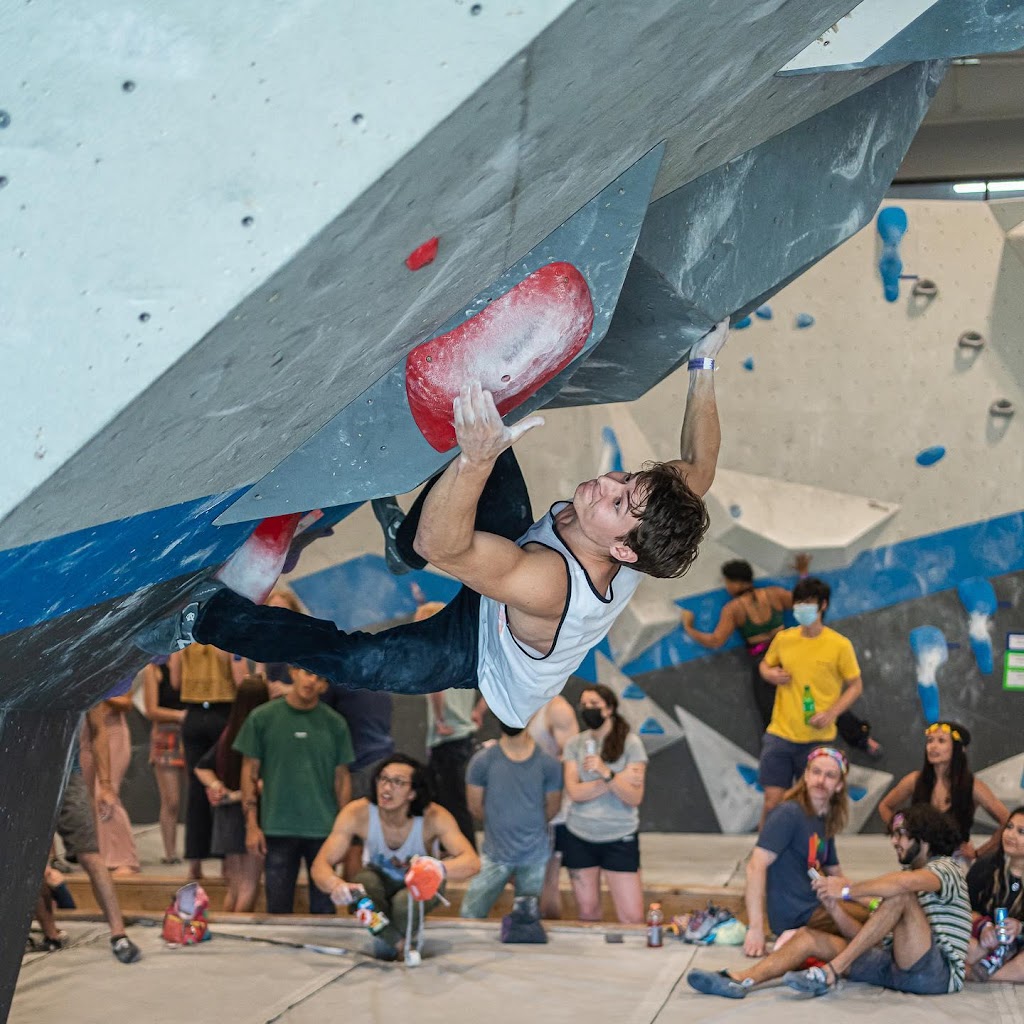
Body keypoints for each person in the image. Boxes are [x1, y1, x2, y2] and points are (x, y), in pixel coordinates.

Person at [137, 318, 731, 727]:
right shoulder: (648, 516)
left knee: (358, 662)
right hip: (507, 561)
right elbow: (700, 469)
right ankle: (404, 546)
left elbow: (444, 544)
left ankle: (204, 618)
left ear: (624, 553)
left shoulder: (550, 583)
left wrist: (477, 458)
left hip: (479, 652)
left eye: (619, 504)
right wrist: (702, 363)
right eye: (626, 480)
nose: (609, 485)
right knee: (484, 434)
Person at [688, 804, 971, 999]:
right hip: (897, 967)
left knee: (899, 893)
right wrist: (834, 906)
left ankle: (830, 972)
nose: (894, 842)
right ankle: (742, 979)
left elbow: (902, 885)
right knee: (810, 937)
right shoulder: (910, 879)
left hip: (935, 975)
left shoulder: (946, 868)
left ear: (923, 839)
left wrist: (847, 890)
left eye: (901, 835)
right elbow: (866, 939)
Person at [681, 558, 880, 757]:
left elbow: (716, 640)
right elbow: (804, 600)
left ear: (735, 583)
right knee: (823, 703)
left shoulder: (734, 609)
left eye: (727, 582)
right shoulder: (774, 595)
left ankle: (778, 755)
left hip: (766, 662)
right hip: (792, 658)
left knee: (772, 716)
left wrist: (689, 628)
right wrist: (803, 573)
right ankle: (863, 740)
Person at [310, 754, 480, 960]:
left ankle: (394, 943)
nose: (387, 788)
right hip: (378, 879)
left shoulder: (434, 817)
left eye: (398, 782)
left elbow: (472, 862)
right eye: (383, 779)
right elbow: (320, 864)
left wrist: (438, 868)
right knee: (361, 890)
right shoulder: (357, 813)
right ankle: (399, 944)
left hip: (421, 883)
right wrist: (335, 884)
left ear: (413, 793)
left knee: (403, 904)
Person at [234, 666, 354, 913]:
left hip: (323, 829)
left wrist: (343, 832)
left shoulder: (335, 724)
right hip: (277, 827)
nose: (312, 680)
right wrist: (252, 825)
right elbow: (248, 773)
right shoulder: (262, 718)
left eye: (319, 676)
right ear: (293, 671)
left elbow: (342, 779)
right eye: (307, 672)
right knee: (277, 908)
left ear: (325, 686)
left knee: (325, 911)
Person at [34, 707, 142, 963]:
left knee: (90, 855)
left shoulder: (78, 681)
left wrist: (105, 785)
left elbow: (98, 729)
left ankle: (118, 933)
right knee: (33, 862)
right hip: (28, 777)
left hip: (66, 775)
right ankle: (51, 934)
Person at [756, 577, 865, 828]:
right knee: (773, 801)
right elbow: (765, 664)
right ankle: (763, 855)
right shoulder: (784, 639)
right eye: (799, 603)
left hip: (818, 738)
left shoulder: (839, 645)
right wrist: (769, 674)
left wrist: (832, 712)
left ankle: (813, 858)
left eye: (808, 603)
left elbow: (856, 685)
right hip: (781, 733)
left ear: (823, 605)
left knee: (813, 805)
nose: (801, 608)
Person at [741, 747, 867, 959]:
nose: (820, 780)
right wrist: (755, 929)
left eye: (829, 776)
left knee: (876, 918)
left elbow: (838, 877)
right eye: (816, 772)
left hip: (817, 905)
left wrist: (873, 899)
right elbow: (755, 865)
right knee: (872, 925)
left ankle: (802, 939)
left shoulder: (824, 820)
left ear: (839, 786)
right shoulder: (789, 813)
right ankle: (799, 937)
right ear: (806, 776)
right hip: (798, 912)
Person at [560, 684, 647, 923]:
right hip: (580, 834)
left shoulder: (631, 744)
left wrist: (605, 772)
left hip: (619, 836)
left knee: (632, 916)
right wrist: (618, 779)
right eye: (584, 705)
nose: (588, 709)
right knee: (587, 912)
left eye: (594, 705)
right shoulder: (574, 744)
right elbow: (574, 792)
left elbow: (634, 798)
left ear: (609, 709)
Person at [460, 719, 563, 918]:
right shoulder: (482, 761)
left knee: (528, 919)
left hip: (533, 856)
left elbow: (552, 807)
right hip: (495, 855)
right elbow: (475, 806)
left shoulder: (548, 764)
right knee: (469, 914)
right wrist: (501, 826)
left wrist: (526, 827)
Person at [878, 721, 1007, 863]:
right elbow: (885, 806)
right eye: (930, 741)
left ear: (958, 748)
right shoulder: (914, 780)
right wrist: (902, 832)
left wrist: (979, 852)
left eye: (941, 741)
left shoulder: (972, 786)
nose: (933, 746)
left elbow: (1007, 820)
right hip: (919, 859)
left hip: (956, 862)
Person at [193, 675, 271, 911]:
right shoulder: (262, 731)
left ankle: (228, 929)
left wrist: (219, 788)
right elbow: (261, 781)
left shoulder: (229, 731)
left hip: (226, 815)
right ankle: (240, 932)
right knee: (249, 884)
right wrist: (240, 795)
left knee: (235, 887)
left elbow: (201, 766)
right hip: (251, 814)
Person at [172, 642, 246, 878]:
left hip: (193, 713)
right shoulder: (228, 636)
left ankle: (195, 863)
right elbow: (240, 680)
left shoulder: (186, 638)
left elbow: (175, 681)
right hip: (223, 713)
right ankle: (226, 860)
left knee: (196, 790)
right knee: (225, 786)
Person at [78, 693, 141, 876]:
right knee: (88, 798)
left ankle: (124, 859)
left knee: (105, 793)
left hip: (111, 729)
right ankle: (102, 855)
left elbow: (127, 703)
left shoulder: (111, 671)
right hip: (83, 733)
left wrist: (98, 693)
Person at [527, 695, 578, 917]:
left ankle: (549, 929)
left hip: (554, 811)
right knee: (526, 874)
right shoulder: (525, 704)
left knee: (549, 878)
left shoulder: (557, 709)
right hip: (530, 807)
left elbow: (572, 759)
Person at [966, 805, 1024, 981]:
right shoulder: (985, 867)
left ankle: (973, 973)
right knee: (952, 937)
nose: (1010, 835)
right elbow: (964, 908)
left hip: (1020, 950)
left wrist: (1020, 928)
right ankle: (995, 967)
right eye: (1009, 827)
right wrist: (984, 927)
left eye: (1021, 831)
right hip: (984, 944)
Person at [143, 658, 187, 864]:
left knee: (197, 795)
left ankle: (198, 850)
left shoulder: (188, 663)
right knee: (171, 800)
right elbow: (151, 710)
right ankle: (170, 852)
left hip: (190, 732)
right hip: (166, 734)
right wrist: (181, 716)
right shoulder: (153, 669)